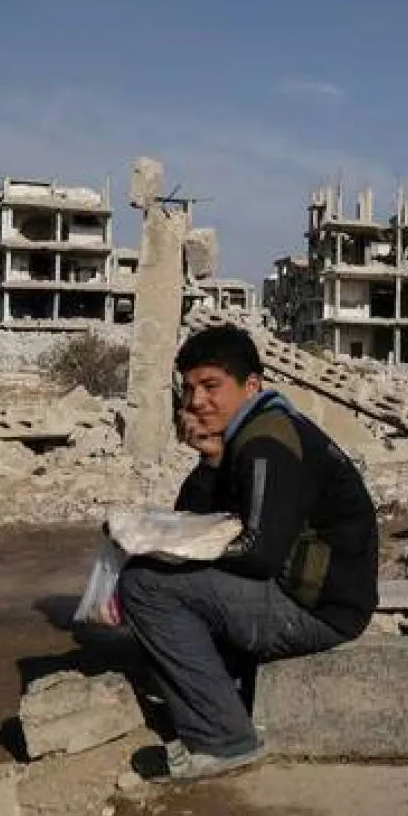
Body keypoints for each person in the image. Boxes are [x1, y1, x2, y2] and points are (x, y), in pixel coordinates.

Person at [117, 325, 379, 782]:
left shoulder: (265, 443)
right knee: (159, 585)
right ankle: (224, 690)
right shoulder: (252, 432)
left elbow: (258, 553)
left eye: (211, 386)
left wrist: (166, 554)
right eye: (191, 389)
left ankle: (222, 741)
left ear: (251, 385)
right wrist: (210, 461)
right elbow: (199, 517)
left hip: (319, 607)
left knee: (145, 586)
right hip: (313, 592)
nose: (196, 401)